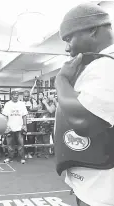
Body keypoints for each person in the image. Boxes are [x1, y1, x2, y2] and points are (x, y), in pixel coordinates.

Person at [55, 3, 114, 206]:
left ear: (92, 30)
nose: (66, 47)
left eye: (69, 38)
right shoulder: (97, 65)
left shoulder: (107, 65)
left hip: (103, 190)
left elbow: (84, 121)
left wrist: (61, 80)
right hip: (95, 183)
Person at [2, 90, 28, 164]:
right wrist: (6, 126)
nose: (16, 96)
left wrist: (25, 125)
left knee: (21, 144)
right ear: (11, 96)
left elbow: (24, 115)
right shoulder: (7, 104)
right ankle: (10, 158)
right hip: (10, 127)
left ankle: (22, 158)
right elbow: (5, 116)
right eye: (14, 95)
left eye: (17, 95)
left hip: (19, 127)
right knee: (10, 145)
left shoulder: (22, 104)